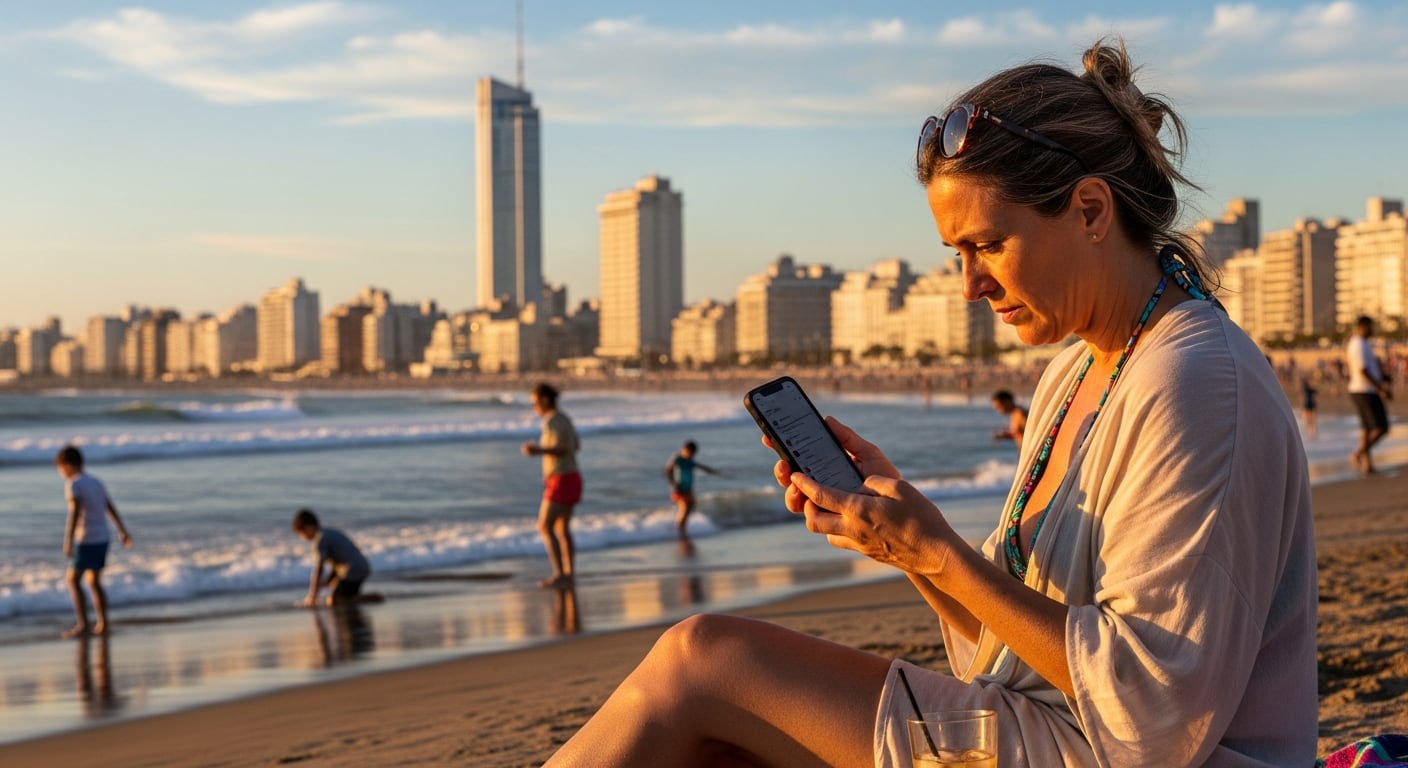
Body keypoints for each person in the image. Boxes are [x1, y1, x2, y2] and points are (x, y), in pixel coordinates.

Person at [544, 38, 1317, 767]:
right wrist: (901, 546)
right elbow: (1008, 651)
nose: (970, 284)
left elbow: (1155, 709)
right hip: (1056, 729)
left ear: (1088, 210)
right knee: (721, 739)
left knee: (703, 660)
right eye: (956, 254)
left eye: (987, 245)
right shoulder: (1079, 370)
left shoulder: (1192, 381)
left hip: (1119, 753)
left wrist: (939, 552)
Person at [55, 444, 134, 639]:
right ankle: (103, 622)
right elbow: (109, 506)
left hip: (87, 538)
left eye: (60, 467)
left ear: (68, 465)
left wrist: (68, 540)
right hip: (103, 537)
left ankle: (83, 624)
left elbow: (75, 513)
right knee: (94, 581)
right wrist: (122, 530)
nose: (60, 472)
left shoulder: (74, 484)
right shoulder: (96, 482)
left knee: (73, 580)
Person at [522, 382, 582, 589]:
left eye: (535, 403)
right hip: (572, 476)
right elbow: (576, 445)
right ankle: (568, 574)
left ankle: (560, 574)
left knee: (545, 526)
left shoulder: (553, 421)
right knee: (562, 529)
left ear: (545, 400)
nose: (534, 407)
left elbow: (564, 448)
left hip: (561, 479)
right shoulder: (565, 418)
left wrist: (537, 451)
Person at [292, 508, 372, 607]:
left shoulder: (320, 540)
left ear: (308, 527)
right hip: (362, 567)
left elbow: (319, 569)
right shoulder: (329, 533)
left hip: (352, 570)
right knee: (341, 592)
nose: (303, 538)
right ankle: (358, 598)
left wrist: (312, 596)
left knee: (333, 600)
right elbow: (338, 562)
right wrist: (328, 581)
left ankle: (369, 599)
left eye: (302, 533)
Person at [1347, 315, 1392, 474]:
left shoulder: (1364, 343)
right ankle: (1358, 454)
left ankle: (1367, 464)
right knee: (1381, 427)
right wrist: (1380, 388)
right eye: (1370, 327)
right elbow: (1362, 369)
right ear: (1363, 326)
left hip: (1364, 389)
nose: (1372, 330)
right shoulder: (1358, 343)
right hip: (1363, 390)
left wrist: (1383, 378)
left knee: (1366, 427)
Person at [664, 440, 718, 538]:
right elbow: (668, 471)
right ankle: (680, 532)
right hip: (679, 490)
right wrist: (675, 486)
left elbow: (698, 465)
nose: (691, 455)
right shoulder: (677, 459)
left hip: (688, 489)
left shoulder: (689, 460)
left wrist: (709, 470)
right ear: (684, 450)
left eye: (692, 454)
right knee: (684, 509)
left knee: (690, 507)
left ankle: (682, 529)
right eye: (689, 453)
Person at [1301, 374, 1319, 440]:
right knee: (1311, 422)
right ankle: (1312, 435)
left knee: (1309, 422)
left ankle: (1311, 435)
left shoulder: (1306, 389)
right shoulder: (1308, 389)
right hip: (1310, 406)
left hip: (1308, 406)